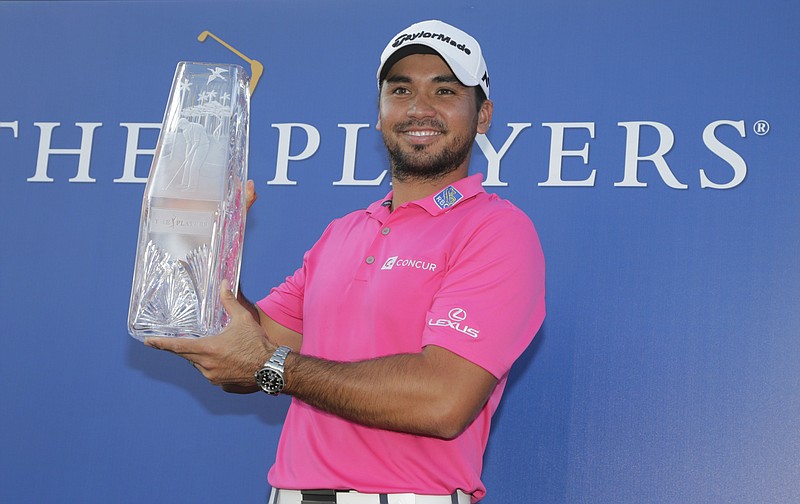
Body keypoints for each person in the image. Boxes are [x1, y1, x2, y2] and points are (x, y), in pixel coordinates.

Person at [146, 19, 546, 504]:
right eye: (400, 90)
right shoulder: (343, 232)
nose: (419, 108)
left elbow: (443, 400)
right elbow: (245, 347)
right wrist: (205, 249)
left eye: (444, 91)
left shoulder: (496, 230)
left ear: (482, 115)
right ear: (378, 114)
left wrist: (275, 368)